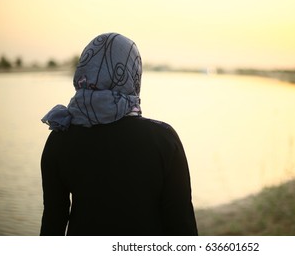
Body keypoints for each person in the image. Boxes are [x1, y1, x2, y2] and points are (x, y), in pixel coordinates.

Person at [40, 32, 198, 236]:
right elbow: (181, 226)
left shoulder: (59, 138)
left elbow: (53, 223)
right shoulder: (163, 139)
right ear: (134, 74)